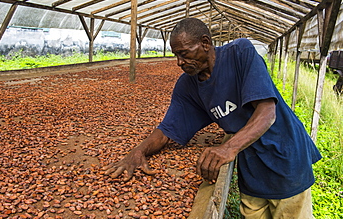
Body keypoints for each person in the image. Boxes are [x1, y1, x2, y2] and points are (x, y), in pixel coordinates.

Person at [103, 18, 321, 218]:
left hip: (285, 156)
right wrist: (138, 151)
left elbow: (266, 112)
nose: (179, 62)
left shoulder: (240, 53)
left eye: (185, 53)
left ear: (205, 43)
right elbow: (167, 130)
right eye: (176, 55)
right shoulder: (187, 86)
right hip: (251, 164)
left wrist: (228, 148)